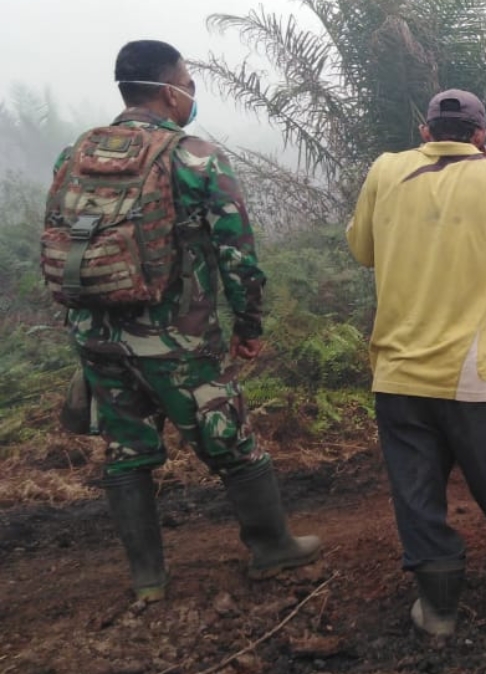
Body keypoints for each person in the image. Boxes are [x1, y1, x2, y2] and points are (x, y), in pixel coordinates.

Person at [43, 40, 320, 604]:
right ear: (170, 89)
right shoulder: (194, 156)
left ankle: (148, 578)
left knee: (126, 450)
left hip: (95, 336)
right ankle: (272, 548)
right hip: (176, 338)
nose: (191, 91)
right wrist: (248, 325)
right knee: (230, 438)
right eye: (188, 80)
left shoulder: (74, 155)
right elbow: (237, 252)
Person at [346, 90, 486, 637]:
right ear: (481, 134)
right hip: (474, 373)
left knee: (416, 488)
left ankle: (439, 608)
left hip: (398, 370)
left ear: (426, 132)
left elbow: (362, 250)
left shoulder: (386, 171)